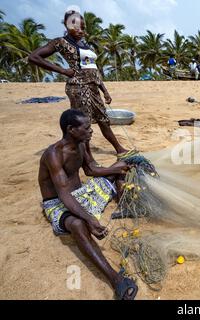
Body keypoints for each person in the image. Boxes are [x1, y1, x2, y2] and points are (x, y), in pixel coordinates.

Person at [39, 109, 138, 299]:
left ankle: (125, 208)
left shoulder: (82, 144)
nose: (91, 131)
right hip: (58, 203)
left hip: (79, 194)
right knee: (78, 224)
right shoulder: (54, 154)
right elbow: (64, 194)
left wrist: (115, 168)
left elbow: (91, 169)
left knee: (118, 172)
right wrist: (89, 218)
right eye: (86, 128)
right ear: (71, 130)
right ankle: (116, 280)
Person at [28, 10, 130, 158]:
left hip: (93, 87)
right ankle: (88, 159)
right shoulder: (60, 42)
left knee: (103, 119)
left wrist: (104, 90)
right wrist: (62, 70)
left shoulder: (85, 45)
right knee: (83, 124)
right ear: (66, 25)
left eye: (82, 27)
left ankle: (119, 148)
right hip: (78, 87)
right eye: (76, 27)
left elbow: (93, 68)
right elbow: (33, 57)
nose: (80, 30)